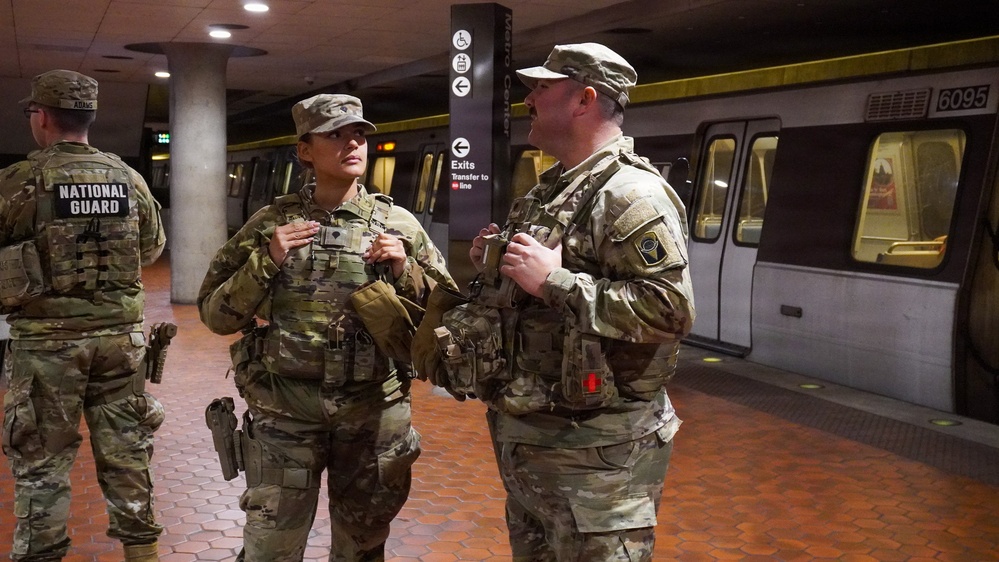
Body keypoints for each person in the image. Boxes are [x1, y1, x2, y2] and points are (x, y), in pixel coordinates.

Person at [413, 43, 695, 561]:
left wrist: (554, 282)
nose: (529, 101)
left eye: (542, 88)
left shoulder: (632, 196)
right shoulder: (550, 192)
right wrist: (497, 265)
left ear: (584, 100)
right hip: (537, 442)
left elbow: (669, 309)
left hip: (597, 459)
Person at [198, 93, 455, 562]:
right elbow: (216, 316)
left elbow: (446, 320)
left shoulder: (399, 226)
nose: (352, 143)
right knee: (269, 549)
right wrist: (267, 259)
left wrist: (404, 270)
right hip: (285, 412)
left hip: (373, 412)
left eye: (358, 134)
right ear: (305, 150)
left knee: (362, 547)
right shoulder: (271, 225)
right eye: (335, 135)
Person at [0, 70, 167, 561]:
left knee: (42, 462)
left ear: (42, 116)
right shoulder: (129, 178)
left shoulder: (18, 181)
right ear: (88, 118)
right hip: (120, 344)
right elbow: (152, 248)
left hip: (48, 348)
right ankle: (144, 554)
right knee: (128, 455)